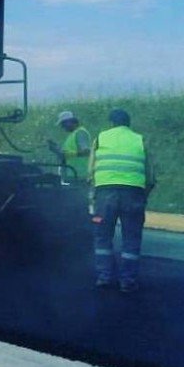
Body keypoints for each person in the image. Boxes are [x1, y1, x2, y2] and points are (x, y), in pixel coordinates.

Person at [89, 108, 155, 293]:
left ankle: (104, 276)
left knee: (102, 236)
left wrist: (95, 193)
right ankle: (127, 281)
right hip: (133, 195)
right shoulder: (139, 139)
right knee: (132, 238)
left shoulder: (101, 138)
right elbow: (150, 176)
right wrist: (143, 196)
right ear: (129, 123)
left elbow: (91, 171)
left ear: (111, 123)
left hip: (105, 196)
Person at [48, 110, 92, 183]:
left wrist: (67, 154)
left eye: (63, 123)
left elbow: (86, 152)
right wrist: (56, 148)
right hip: (72, 173)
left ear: (70, 122)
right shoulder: (73, 134)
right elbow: (66, 153)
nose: (62, 127)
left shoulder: (80, 133)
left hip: (79, 174)